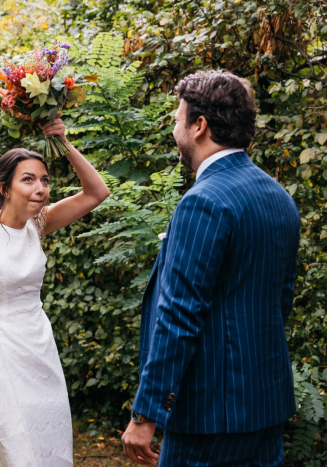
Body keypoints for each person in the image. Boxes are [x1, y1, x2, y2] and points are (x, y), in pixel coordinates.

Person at [121, 71, 301, 466]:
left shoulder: (203, 201)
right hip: (265, 406)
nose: (173, 124)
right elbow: (279, 301)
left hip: (208, 416)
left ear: (199, 125)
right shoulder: (279, 197)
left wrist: (146, 412)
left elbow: (179, 314)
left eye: (177, 116)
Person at [0, 117, 110, 466]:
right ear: (5, 188)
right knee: (13, 448)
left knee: (49, 441)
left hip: (41, 351)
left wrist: (62, 142)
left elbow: (97, 193)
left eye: (44, 180)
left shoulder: (38, 225)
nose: (40, 188)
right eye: (28, 180)